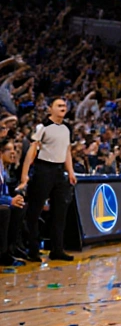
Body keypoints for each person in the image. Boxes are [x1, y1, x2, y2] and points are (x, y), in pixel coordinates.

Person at [18, 98, 78, 262]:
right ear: (50, 109)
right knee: (35, 211)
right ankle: (33, 250)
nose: (63, 108)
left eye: (64, 106)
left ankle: (57, 249)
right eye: (59, 106)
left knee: (60, 211)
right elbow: (32, 151)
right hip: (43, 169)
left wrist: (70, 172)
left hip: (59, 172)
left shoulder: (67, 128)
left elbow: (67, 151)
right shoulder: (42, 126)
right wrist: (25, 175)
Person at [0, 138, 27, 266]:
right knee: (5, 210)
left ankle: (13, 247)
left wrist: (15, 199)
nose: (13, 153)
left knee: (20, 206)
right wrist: (10, 200)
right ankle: (2, 253)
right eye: (9, 150)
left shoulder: (5, 169)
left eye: (14, 150)